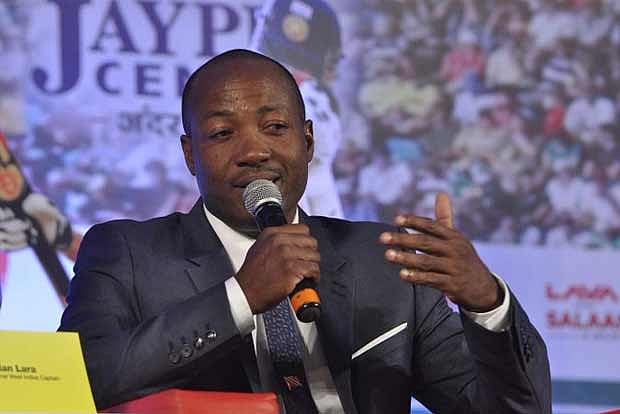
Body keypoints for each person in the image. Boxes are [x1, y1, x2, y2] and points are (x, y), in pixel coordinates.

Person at [59, 49, 551, 413]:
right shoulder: (126, 252)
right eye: (223, 133)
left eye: (275, 127)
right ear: (190, 154)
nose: (254, 151)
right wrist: (239, 297)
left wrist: (487, 304)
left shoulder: (384, 260)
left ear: (309, 141)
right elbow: (78, 381)